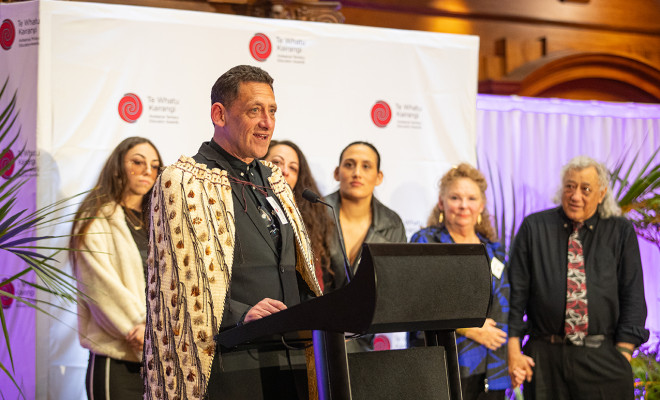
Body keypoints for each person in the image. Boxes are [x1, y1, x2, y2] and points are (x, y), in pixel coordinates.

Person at [142, 65, 322, 400]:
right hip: (228, 361)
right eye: (254, 110)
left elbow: (297, 269)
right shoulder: (183, 181)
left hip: (291, 357)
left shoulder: (275, 180)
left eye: (272, 111)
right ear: (219, 114)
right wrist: (243, 314)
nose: (267, 123)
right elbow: (176, 286)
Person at [507, 155, 649, 400]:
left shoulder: (620, 231)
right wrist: (513, 349)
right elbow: (515, 293)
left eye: (586, 189)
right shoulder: (534, 227)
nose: (575, 196)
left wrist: (623, 353)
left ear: (601, 193)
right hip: (544, 358)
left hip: (603, 357)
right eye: (570, 186)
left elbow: (633, 295)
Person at [70, 136, 162, 399]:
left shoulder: (158, 223)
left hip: (159, 357)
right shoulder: (96, 219)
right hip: (117, 357)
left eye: (154, 166)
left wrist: (159, 334)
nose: (147, 170)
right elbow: (99, 288)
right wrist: (139, 327)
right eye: (137, 162)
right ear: (117, 166)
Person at [409, 163, 511, 400]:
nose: (464, 205)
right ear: (441, 203)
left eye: (471, 198)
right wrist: (470, 328)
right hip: (442, 365)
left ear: (481, 205)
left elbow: (508, 307)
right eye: (455, 197)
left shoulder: (496, 251)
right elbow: (414, 300)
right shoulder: (425, 242)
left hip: (493, 370)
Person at [324, 141, 407, 292]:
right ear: (337, 173)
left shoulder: (393, 223)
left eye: (366, 166)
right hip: (314, 312)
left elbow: (396, 283)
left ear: (378, 177)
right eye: (349, 165)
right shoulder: (315, 212)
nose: (357, 173)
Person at [265, 139, 333, 292]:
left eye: (293, 168)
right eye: (276, 162)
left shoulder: (306, 222)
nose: (285, 171)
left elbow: (315, 286)